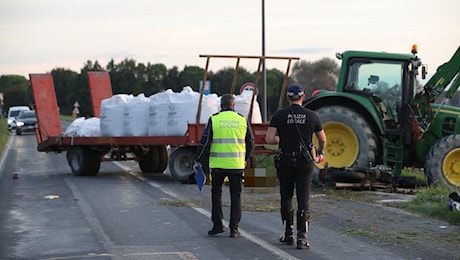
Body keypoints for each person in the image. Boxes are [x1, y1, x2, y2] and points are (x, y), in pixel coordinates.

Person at [265, 84, 327, 249]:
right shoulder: (312, 116)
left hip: (286, 162)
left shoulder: (279, 115)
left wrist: (282, 139)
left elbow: (269, 139)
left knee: (286, 197)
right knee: (303, 197)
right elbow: (323, 139)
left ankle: (288, 234)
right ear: (303, 96)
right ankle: (302, 237)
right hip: (305, 163)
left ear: (287, 98)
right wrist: (320, 153)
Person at [193, 94, 254, 238]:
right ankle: (234, 229)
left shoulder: (214, 119)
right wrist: (245, 158)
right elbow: (251, 142)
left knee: (216, 194)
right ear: (234, 105)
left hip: (218, 166)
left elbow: (204, 142)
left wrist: (197, 160)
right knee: (236, 196)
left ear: (221, 105)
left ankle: (218, 225)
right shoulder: (242, 120)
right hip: (237, 165)